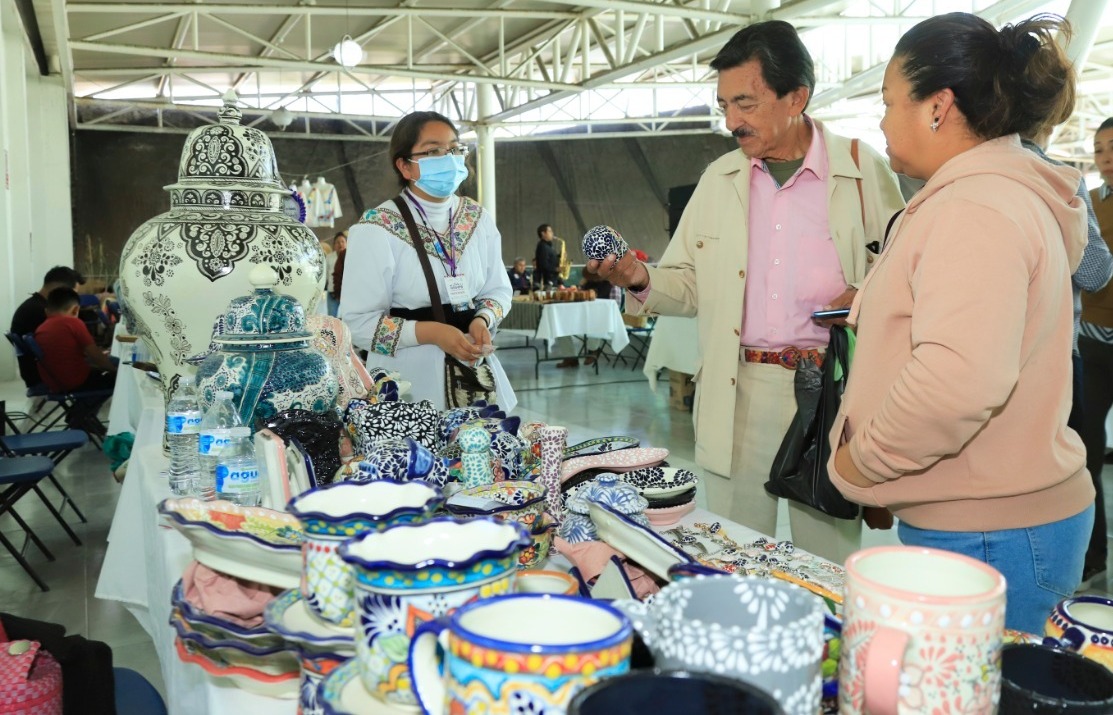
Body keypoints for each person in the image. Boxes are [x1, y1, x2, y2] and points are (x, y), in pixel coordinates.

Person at [589, 20, 905, 564]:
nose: (732, 121)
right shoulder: (719, 180)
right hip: (740, 390)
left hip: (828, 393)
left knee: (827, 557)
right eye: (723, 105)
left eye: (746, 104)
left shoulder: (861, 169)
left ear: (796, 98)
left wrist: (868, 296)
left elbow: (903, 276)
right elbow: (689, 284)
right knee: (732, 551)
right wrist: (637, 278)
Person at [828, 13, 1092, 633]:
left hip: (993, 531)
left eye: (891, 102)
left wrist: (865, 463)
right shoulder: (991, 194)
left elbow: (959, 382)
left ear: (938, 107)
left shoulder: (975, 207)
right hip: (989, 517)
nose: (883, 119)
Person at [340, 111, 516, 411]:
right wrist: (432, 333)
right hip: (408, 383)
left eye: (454, 149)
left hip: (475, 377)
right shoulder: (377, 227)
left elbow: (499, 291)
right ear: (405, 165)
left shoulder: (477, 219)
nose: (448, 159)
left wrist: (482, 319)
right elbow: (356, 324)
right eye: (434, 151)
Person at [1024, 120, 1113, 591]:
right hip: (1076, 349)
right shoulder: (1070, 185)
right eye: (1098, 148)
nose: (1103, 156)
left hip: (1040, 352)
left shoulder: (956, 177)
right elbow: (1096, 271)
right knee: (1076, 459)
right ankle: (1079, 562)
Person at [1081, 117, 1113, 590]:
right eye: (1100, 147)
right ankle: (1093, 557)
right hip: (1092, 339)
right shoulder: (1086, 200)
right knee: (1084, 451)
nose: (1105, 155)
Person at [34, 288, 121, 434]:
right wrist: (116, 371)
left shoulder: (42, 327)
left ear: (47, 311)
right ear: (75, 310)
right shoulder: (73, 323)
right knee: (116, 378)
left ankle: (81, 415)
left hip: (54, 381)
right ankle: (80, 415)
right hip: (74, 381)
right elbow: (96, 357)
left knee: (111, 365)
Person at [10, 265, 85, 389]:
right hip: (48, 375)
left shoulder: (33, 306)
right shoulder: (40, 311)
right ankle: (83, 409)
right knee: (111, 375)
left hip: (38, 372)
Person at [326, 231, 347, 316]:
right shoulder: (329, 257)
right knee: (331, 318)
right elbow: (326, 275)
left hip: (346, 294)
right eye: (338, 242)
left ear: (347, 243)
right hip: (332, 293)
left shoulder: (350, 257)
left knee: (347, 318)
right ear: (334, 245)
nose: (340, 244)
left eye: (343, 241)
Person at [534, 224, 562, 288]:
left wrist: (560, 256)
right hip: (547, 281)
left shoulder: (549, 246)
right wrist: (555, 269)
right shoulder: (542, 246)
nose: (552, 233)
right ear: (543, 233)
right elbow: (543, 265)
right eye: (550, 231)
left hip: (553, 279)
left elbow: (551, 260)